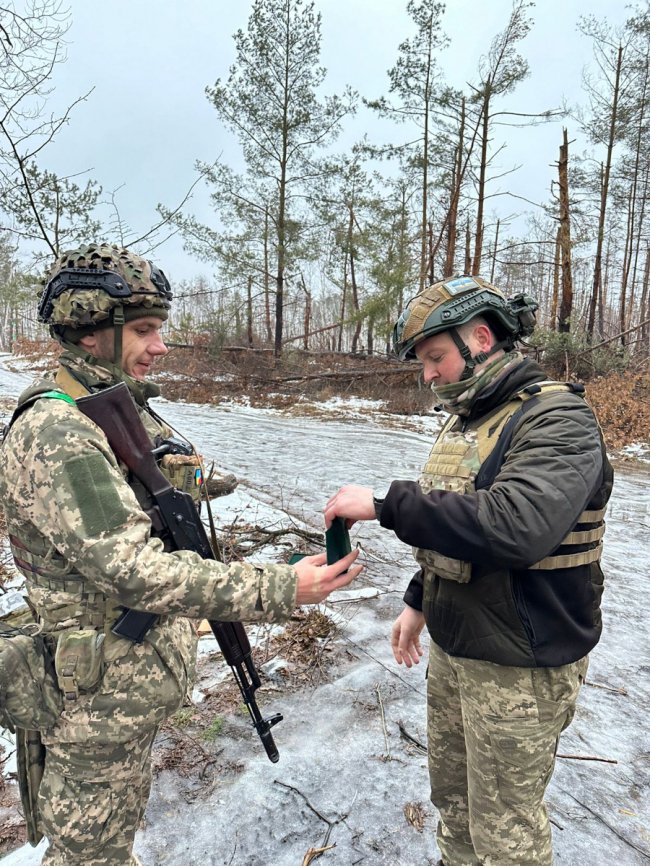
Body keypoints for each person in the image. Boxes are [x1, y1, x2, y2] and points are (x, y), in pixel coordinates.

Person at [0, 243, 361, 866]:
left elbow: (153, 491)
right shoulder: (58, 430)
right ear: (90, 332)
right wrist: (279, 588)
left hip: (121, 688)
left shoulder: (111, 407)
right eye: (145, 329)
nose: (161, 346)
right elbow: (132, 570)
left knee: (111, 846)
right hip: (92, 705)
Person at [324, 274, 612, 866]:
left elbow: (516, 526)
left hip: (522, 663)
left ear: (481, 339)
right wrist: (418, 600)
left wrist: (385, 505)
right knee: (454, 803)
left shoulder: (558, 419)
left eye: (436, 358)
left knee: (505, 831)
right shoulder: (470, 420)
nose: (429, 375)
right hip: (458, 648)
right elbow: (455, 521)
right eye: (423, 363)